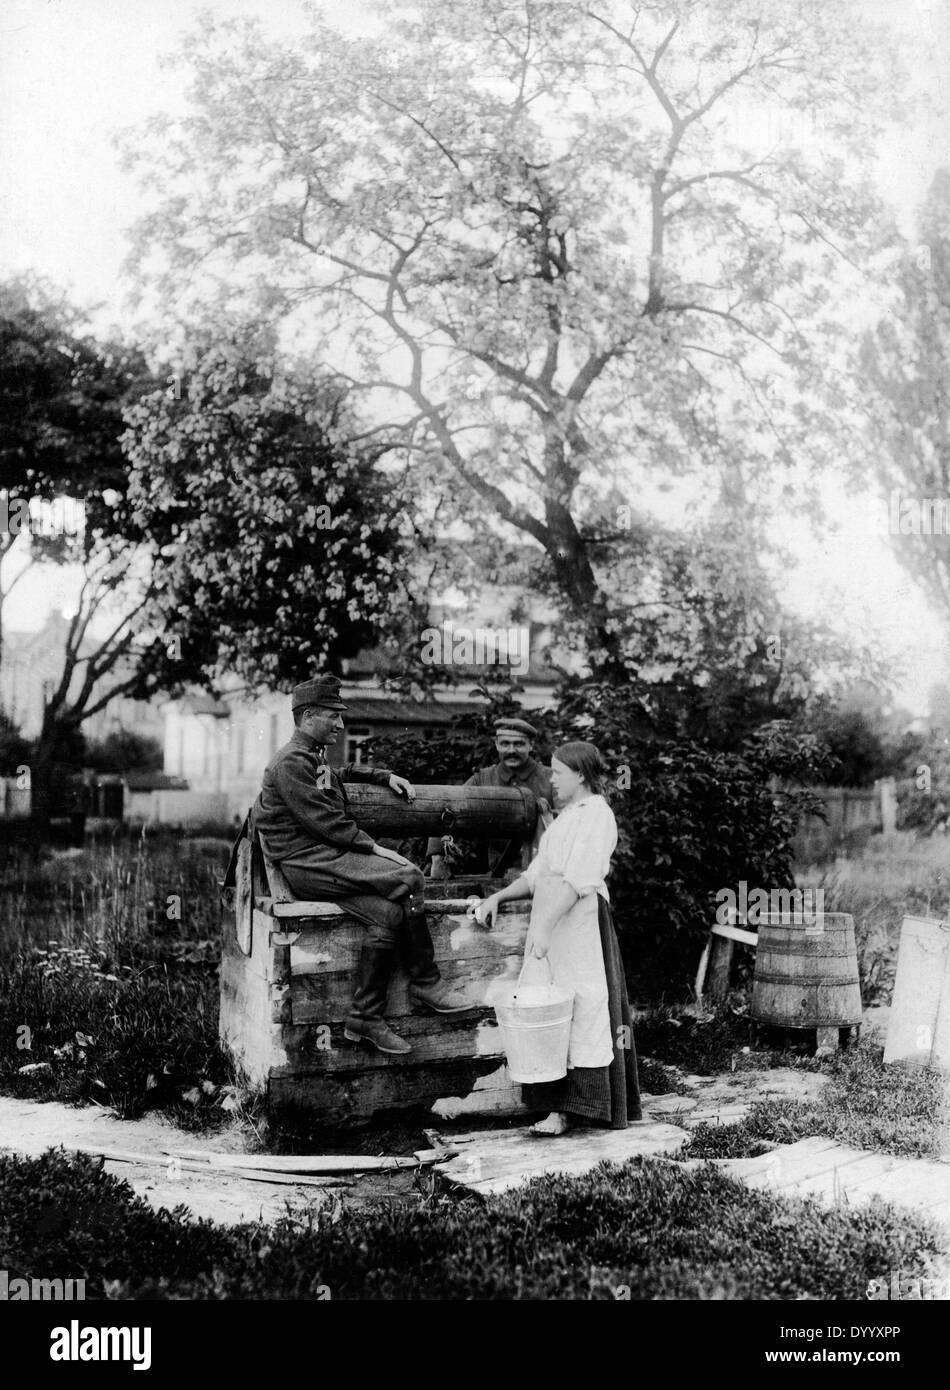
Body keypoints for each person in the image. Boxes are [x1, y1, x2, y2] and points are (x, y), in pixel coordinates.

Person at [250, 675, 474, 1056]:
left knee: (387, 913)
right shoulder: (290, 762)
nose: (340, 724)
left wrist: (385, 776)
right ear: (307, 716)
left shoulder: (310, 758)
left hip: (324, 860)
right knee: (411, 877)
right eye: (333, 716)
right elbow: (326, 823)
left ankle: (364, 1017)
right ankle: (426, 981)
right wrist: (378, 850)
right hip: (307, 863)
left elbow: (339, 776)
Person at [475, 740, 641, 1134]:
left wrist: (546, 928)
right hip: (551, 924)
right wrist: (497, 896)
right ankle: (555, 1106)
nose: (551, 780)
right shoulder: (565, 818)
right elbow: (536, 875)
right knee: (549, 1011)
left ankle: (578, 1109)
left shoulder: (596, 815)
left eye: (558, 772)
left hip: (580, 924)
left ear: (581, 774)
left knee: (584, 1007)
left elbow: (578, 880)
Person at [427, 717, 554, 878]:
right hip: (499, 874)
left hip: (546, 873)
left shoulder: (551, 778)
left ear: (531, 745)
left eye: (519, 744)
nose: (511, 750)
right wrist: (438, 857)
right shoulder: (483, 779)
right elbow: (447, 807)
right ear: (496, 744)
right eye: (505, 743)